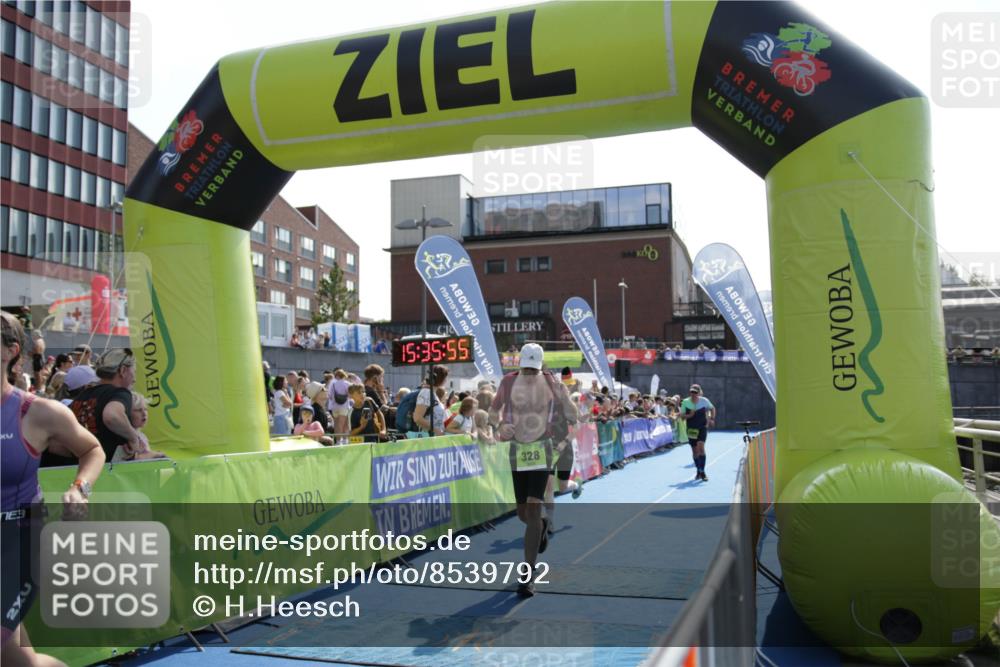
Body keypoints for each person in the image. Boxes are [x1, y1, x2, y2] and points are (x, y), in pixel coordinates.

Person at [2, 311, 105, 667]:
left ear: (9, 351)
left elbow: (92, 449)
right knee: (20, 661)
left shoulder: (36, 413)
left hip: (19, 544)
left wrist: (80, 489)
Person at [489, 343, 577, 598]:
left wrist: (568, 408)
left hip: (541, 448)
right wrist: (499, 428)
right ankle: (540, 526)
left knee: (534, 504)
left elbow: (572, 412)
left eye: (533, 370)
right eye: (526, 369)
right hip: (517, 448)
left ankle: (527, 576)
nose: (529, 374)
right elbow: (493, 413)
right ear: (520, 366)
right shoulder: (507, 382)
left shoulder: (551, 382)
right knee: (522, 514)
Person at [64, 348, 141, 464]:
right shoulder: (120, 393)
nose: (134, 379)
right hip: (104, 471)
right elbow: (112, 416)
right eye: (134, 371)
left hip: (74, 469)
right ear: (123, 370)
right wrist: (134, 437)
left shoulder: (83, 395)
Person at [112, 393, 167, 461]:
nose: (144, 414)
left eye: (146, 409)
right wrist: (157, 455)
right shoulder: (124, 436)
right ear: (126, 413)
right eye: (138, 410)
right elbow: (129, 462)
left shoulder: (142, 436)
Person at [679, 384, 715, 481]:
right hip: (691, 429)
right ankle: (698, 471)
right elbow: (682, 417)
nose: (693, 394)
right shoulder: (685, 402)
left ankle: (703, 472)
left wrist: (712, 418)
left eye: (695, 392)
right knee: (695, 451)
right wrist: (690, 415)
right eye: (692, 392)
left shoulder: (704, 400)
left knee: (701, 448)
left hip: (702, 427)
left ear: (699, 393)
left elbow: (712, 408)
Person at [412, 365, 449, 436]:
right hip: (428, 438)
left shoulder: (432, 393)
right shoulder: (426, 392)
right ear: (441, 378)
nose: (446, 380)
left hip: (435, 438)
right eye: (445, 377)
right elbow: (417, 418)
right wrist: (436, 430)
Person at [326, 369, 352, 441]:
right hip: (344, 406)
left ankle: (337, 441)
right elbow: (350, 396)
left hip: (335, 407)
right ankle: (343, 440)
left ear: (336, 376)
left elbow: (330, 396)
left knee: (336, 424)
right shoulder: (347, 384)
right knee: (344, 424)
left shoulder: (333, 384)